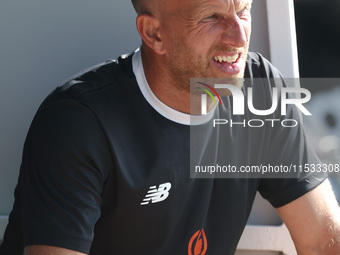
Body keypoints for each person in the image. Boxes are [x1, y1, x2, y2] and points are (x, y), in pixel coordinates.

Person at [1, 0, 340, 254]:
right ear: (153, 33)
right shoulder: (78, 124)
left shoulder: (259, 89)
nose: (239, 37)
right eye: (212, 17)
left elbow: (324, 239)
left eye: (244, 10)